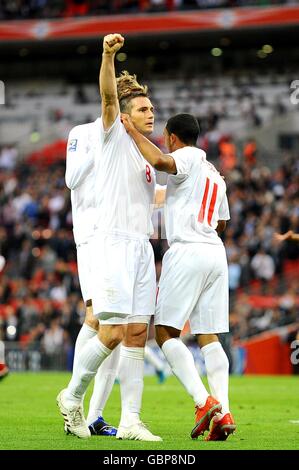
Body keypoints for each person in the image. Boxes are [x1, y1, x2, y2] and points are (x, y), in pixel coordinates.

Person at [57, 33, 162, 441]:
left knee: (136, 334)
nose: (151, 113)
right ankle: (72, 396)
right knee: (111, 330)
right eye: (143, 108)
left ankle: (131, 421)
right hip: (110, 243)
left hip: (140, 246)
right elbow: (106, 98)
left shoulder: (144, 151)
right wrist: (107, 55)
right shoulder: (111, 132)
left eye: (151, 107)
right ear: (124, 114)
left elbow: (154, 197)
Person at [121, 112, 236, 441]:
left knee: (166, 334)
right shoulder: (215, 174)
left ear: (173, 137)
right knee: (209, 336)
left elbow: (159, 161)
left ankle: (204, 404)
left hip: (187, 251)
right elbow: (223, 223)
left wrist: (131, 130)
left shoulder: (185, 155)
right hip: (215, 252)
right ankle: (224, 412)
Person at [64, 118, 120, 436]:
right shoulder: (82, 133)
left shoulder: (129, 138)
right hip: (92, 237)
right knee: (99, 318)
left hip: (122, 237)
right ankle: (75, 405)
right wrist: (101, 147)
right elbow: (72, 178)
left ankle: (93, 415)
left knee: (117, 323)